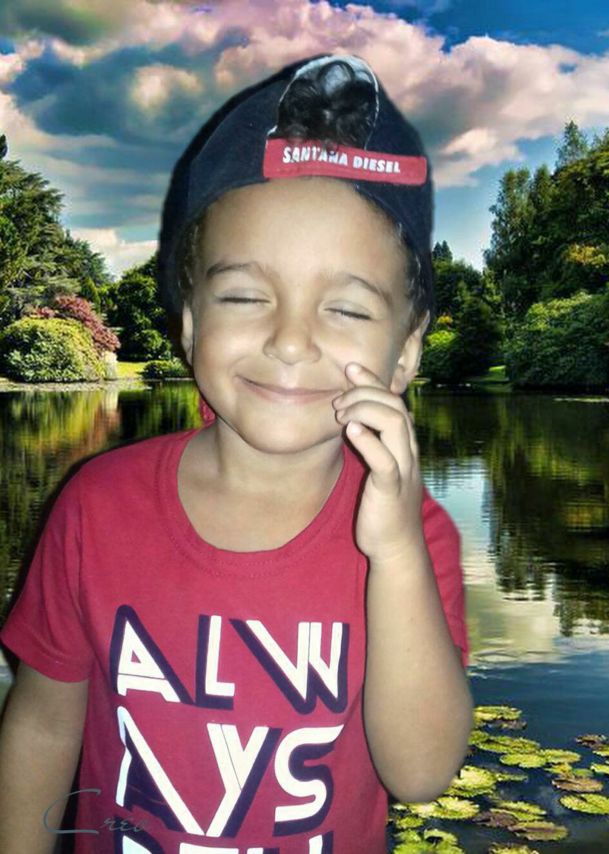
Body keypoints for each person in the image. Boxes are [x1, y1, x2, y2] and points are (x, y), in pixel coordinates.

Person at [0, 54, 473, 853]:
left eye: (346, 308)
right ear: (191, 324)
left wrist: (393, 553)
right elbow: (43, 724)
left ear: (404, 353)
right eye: (246, 296)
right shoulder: (95, 505)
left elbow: (421, 772)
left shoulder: (418, 539)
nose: (289, 340)